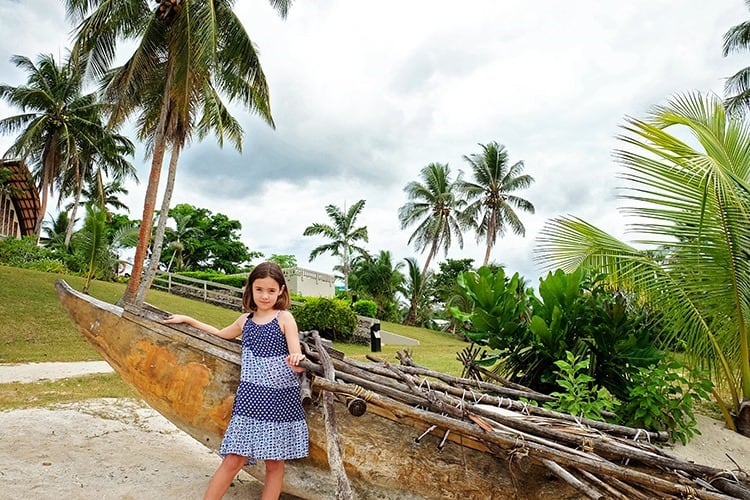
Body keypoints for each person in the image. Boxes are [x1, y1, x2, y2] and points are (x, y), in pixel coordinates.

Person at [164, 262, 308, 500]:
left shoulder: (285, 318)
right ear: (250, 289)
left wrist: (296, 359)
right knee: (234, 458)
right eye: (259, 289)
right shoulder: (245, 321)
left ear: (281, 290)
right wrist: (188, 319)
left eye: (271, 291)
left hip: (280, 397)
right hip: (250, 398)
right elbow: (220, 333)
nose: (264, 295)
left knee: (274, 462)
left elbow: (295, 356)